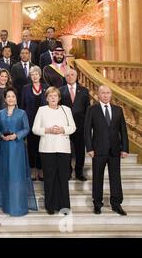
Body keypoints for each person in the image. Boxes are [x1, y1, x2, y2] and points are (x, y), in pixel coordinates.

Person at [84, 85, 129, 216]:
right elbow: (87, 131)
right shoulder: (92, 109)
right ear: (98, 95)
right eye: (102, 93)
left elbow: (123, 131)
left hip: (115, 150)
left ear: (111, 95)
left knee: (115, 178)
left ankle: (116, 204)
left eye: (107, 93)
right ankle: (97, 204)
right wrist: (90, 148)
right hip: (98, 150)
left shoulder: (118, 110)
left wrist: (125, 148)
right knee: (97, 177)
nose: (105, 95)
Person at [0, 87, 37, 216]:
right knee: (6, 175)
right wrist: (1, 135)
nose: (11, 98)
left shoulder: (22, 113)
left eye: (13, 96)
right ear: (5, 99)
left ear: (16, 98)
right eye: (8, 96)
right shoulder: (0, 113)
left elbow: (26, 128)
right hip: (4, 147)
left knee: (17, 176)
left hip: (17, 147)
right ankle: (7, 205)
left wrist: (16, 135)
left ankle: (18, 206)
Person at [32, 87, 76, 215]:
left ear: (59, 98)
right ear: (46, 98)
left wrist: (63, 130)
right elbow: (35, 129)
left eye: (55, 96)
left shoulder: (66, 110)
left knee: (63, 177)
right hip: (47, 148)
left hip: (63, 148)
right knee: (50, 177)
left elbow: (73, 127)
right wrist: (47, 130)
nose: (53, 98)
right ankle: (50, 205)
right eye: (50, 96)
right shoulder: (42, 110)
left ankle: (64, 206)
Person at [60, 69, 90, 181]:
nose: (70, 77)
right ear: (65, 77)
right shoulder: (60, 90)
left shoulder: (84, 91)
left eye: (72, 75)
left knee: (80, 150)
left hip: (80, 126)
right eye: (67, 75)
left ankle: (79, 172)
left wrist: (87, 125)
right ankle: (67, 171)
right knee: (66, 150)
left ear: (76, 76)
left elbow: (88, 109)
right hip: (65, 127)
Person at [21, 66, 48, 181]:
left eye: (36, 74)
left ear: (40, 75)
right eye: (32, 74)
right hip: (30, 121)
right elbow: (22, 106)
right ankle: (33, 169)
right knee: (31, 147)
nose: (35, 76)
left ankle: (41, 170)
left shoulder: (46, 88)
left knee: (42, 146)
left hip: (44, 122)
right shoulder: (25, 88)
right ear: (30, 76)